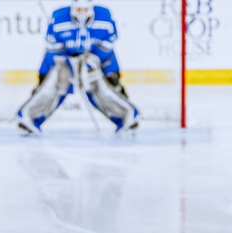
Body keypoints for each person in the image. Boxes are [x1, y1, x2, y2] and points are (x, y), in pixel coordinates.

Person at [16, 0, 140, 134]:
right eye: (79, 10)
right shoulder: (58, 18)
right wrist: (69, 61)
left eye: (85, 10)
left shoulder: (104, 16)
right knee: (56, 85)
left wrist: (93, 59)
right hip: (65, 62)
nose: (82, 13)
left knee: (106, 86)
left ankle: (125, 117)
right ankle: (31, 117)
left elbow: (110, 41)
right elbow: (52, 48)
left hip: (99, 61)